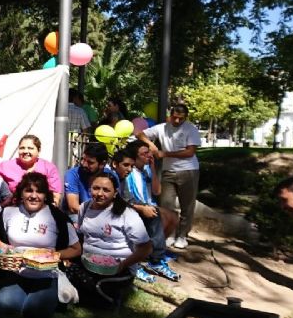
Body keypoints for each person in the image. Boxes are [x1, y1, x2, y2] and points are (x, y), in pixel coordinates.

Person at [0, 173, 81, 318]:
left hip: (46, 276)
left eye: (39, 191)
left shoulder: (57, 217)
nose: (34, 196)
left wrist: (52, 256)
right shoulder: (8, 213)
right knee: (6, 307)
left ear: (45, 195)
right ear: (21, 193)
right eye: (29, 190)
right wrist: (7, 250)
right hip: (17, 275)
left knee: (35, 312)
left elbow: (76, 249)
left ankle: (54, 295)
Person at [66, 172, 152, 306]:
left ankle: (104, 295)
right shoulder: (85, 207)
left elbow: (146, 248)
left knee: (94, 291)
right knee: (65, 270)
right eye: (96, 188)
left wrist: (122, 265)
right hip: (89, 263)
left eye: (106, 190)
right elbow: (83, 236)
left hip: (119, 268)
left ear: (115, 193)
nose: (100, 193)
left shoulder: (127, 213)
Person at [136, 104, 201, 249]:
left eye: (181, 118)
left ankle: (182, 235)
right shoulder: (162, 127)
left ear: (186, 117)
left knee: (187, 205)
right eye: (174, 117)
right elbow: (139, 133)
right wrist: (150, 145)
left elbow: (190, 152)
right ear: (170, 115)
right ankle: (169, 233)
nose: (177, 121)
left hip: (189, 170)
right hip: (168, 171)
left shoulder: (191, 129)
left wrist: (165, 154)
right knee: (166, 204)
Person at [121, 141, 180, 282]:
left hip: (148, 204)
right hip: (134, 206)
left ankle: (155, 252)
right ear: (135, 157)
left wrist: (153, 168)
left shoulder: (147, 169)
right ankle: (156, 260)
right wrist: (143, 208)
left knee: (173, 217)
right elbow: (128, 198)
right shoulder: (129, 171)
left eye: (149, 152)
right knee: (156, 216)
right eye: (144, 153)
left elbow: (157, 191)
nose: (149, 155)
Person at [0, 135, 62, 206]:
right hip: (12, 208)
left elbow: (55, 196)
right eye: (22, 148)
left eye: (30, 148)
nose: (25, 151)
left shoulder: (48, 168)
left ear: (38, 151)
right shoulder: (5, 167)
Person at [64, 142, 116, 218]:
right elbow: (73, 208)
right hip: (78, 217)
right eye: (83, 159)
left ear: (102, 164)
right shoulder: (73, 174)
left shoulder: (110, 177)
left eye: (90, 162)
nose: (84, 164)